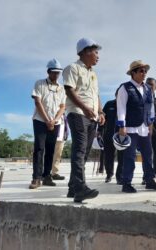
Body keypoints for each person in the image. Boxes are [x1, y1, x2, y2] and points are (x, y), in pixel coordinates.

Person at [63, 38, 105, 202]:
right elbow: (69, 90)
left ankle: (72, 188)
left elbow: (96, 95)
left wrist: (100, 112)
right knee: (79, 150)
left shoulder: (93, 74)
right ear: (86, 52)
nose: (97, 56)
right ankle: (81, 188)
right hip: (78, 114)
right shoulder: (73, 68)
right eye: (95, 52)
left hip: (91, 116)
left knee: (85, 152)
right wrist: (85, 108)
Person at [116, 60, 156, 193]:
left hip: (144, 127)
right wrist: (121, 125)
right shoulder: (125, 88)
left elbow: (151, 107)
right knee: (129, 156)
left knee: (148, 155)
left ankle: (149, 180)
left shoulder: (148, 89)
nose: (144, 73)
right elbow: (121, 107)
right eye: (141, 71)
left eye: (145, 71)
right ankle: (126, 183)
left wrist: (150, 123)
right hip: (130, 127)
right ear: (133, 73)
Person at [29, 59, 66, 189]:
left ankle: (46, 176)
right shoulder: (40, 84)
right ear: (48, 72)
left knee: (51, 150)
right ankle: (36, 177)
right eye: (54, 72)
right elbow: (38, 102)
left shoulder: (61, 88)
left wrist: (55, 120)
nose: (56, 75)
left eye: (58, 73)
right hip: (40, 120)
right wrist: (47, 120)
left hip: (55, 123)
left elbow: (63, 106)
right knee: (39, 148)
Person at [99, 90, 124, 184]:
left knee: (122, 157)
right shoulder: (109, 104)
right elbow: (102, 118)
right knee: (108, 156)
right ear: (116, 95)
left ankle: (120, 177)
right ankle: (109, 175)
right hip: (108, 134)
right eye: (119, 94)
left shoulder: (126, 105)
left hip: (121, 135)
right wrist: (99, 130)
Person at [51, 114, 68, 180]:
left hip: (61, 138)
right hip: (53, 137)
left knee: (58, 156)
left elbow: (65, 127)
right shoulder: (55, 114)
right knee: (49, 155)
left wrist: (65, 135)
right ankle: (45, 173)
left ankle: (54, 173)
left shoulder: (64, 116)